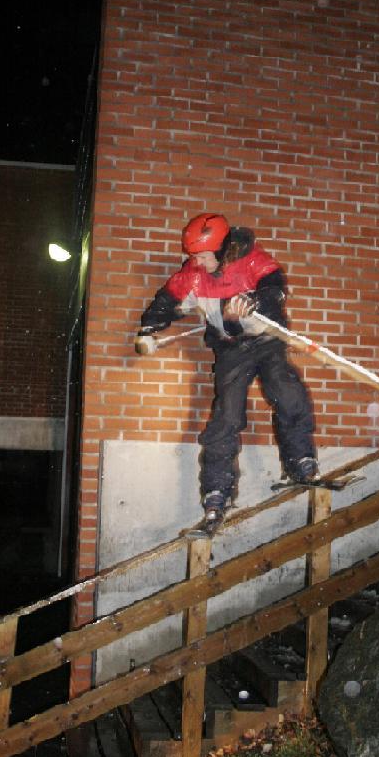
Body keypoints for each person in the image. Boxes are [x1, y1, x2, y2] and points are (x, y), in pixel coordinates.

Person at [135, 212, 317, 532]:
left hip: (266, 341)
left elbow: (274, 287)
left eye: (204, 255)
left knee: (287, 392)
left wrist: (254, 301)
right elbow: (167, 300)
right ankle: (217, 491)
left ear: (220, 250)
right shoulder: (192, 274)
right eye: (193, 256)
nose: (198, 262)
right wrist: (149, 327)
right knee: (226, 418)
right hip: (231, 350)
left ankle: (300, 462)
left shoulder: (251, 260)